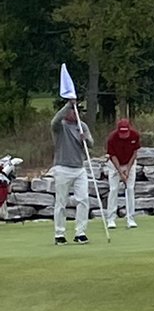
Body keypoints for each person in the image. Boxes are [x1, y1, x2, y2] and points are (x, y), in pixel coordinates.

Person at [50, 101, 94, 245]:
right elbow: (54, 121)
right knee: (61, 202)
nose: (76, 113)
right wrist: (68, 104)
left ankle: (80, 232)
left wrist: (85, 139)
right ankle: (59, 233)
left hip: (79, 168)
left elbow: (91, 144)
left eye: (77, 111)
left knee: (83, 199)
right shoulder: (60, 126)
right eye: (73, 110)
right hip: (62, 167)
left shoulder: (82, 126)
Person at [104, 117, 141, 228]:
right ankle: (111, 219)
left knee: (130, 189)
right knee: (113, 189)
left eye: (125, 132)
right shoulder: (112, 138)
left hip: (129, 163)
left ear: (129, 130)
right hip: (114, 165)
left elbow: (135, 153)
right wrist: (120, 172)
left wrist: (128, 170)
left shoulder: (135, 135)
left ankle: (130, 218)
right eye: (122, 132)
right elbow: (112, 156)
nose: (124, 135)